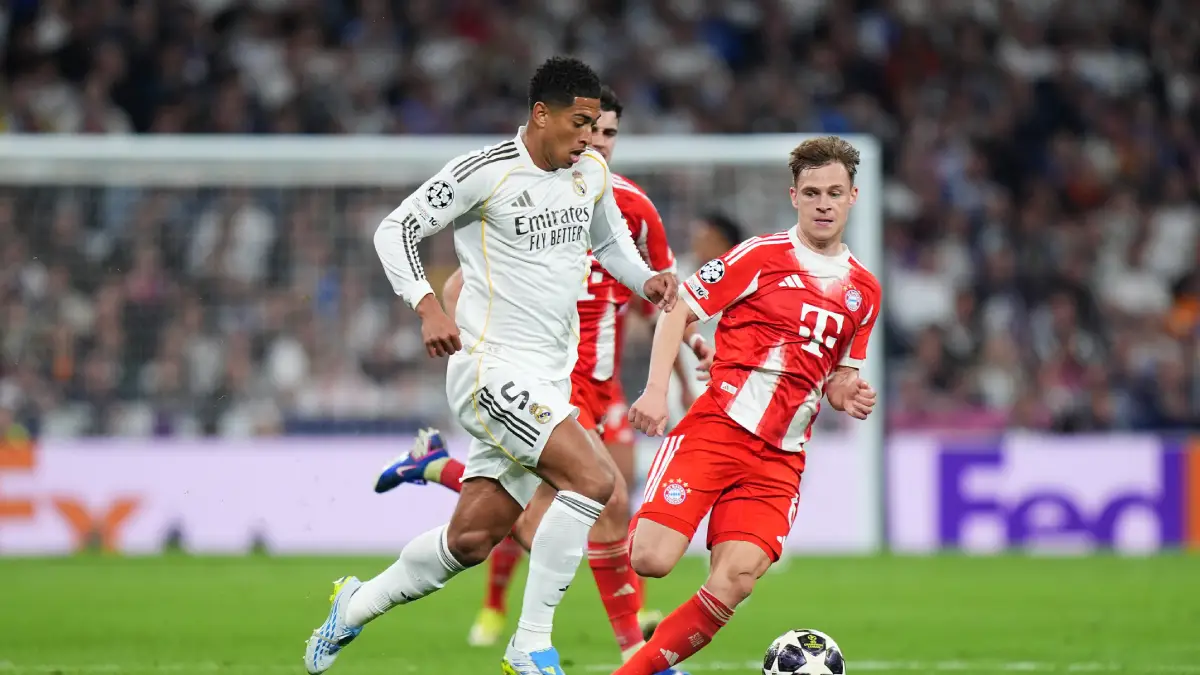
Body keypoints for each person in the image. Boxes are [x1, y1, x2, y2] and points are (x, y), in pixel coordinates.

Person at [302, 56, 678, 675]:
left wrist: (647, 281)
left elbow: (610, 242)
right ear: (541, 114)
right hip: (490, 370)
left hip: (548, 377)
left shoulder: (590, 173)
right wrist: (427, 306)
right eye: (580, 123)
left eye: (595, 125)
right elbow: (395, 230)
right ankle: (529, 645)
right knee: (595, 481)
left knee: (471, 540)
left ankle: (355, 604)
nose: (589, 137)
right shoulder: (484, 172)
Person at [612, 136, 882, 675]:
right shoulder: (760, 256)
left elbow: (838, 375)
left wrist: (844, 391)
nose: (823, 204)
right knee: (651, 558)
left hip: (780, 458)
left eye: (834, 192)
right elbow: (678, 309)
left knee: (735, 580)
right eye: (812, 193)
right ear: (794, 196)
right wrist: (657, 389)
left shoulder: (864, 291)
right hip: (718, 428)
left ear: (853, 197)